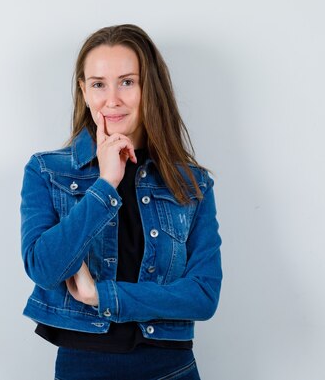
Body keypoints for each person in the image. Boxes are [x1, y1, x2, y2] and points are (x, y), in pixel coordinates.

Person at [19, 24, 222, 380]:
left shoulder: (191, 184)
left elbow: (203, 295)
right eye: (98, 84)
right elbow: (44, 268)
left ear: (150, 89)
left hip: (171, 370)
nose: (111, 99)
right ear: (84, 91)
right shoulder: (46, 171)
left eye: (127, 82)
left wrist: (101, 295)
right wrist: (106, 183)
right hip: (82, 369)